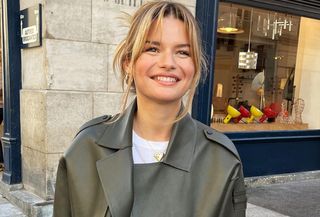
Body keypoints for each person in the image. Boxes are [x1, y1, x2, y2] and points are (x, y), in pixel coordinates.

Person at [53, 1, 247, 217]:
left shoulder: (220, 160)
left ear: (195, 67)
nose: (168, 62)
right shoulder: (86, 148)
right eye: (152, 49)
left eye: (182, 52)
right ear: (129, 62)